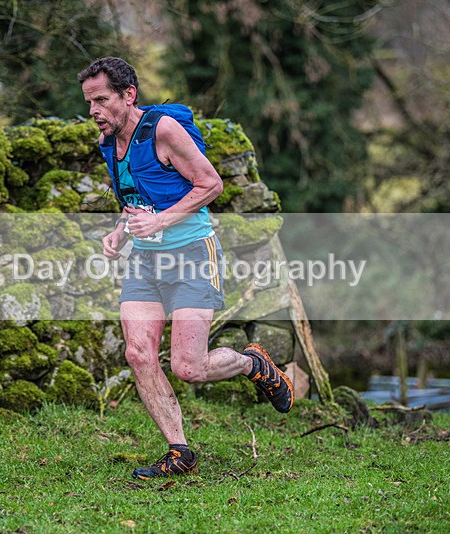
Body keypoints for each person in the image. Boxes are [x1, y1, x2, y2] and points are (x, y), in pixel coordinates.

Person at [78, 57, 294, 480]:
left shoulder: (163, 131)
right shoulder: (109, 145)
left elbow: (211, 184)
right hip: (144, 261)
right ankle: (179, 451)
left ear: (128, 95)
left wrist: (159, 221)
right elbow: (138, 201)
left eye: (101, 100)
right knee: (138, 353)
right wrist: (120, 232)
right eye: (89, 103)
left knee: (189, 368)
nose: (94, 112)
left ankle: (253, 364)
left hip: (192, 255)